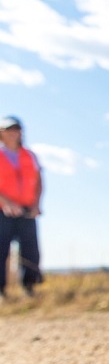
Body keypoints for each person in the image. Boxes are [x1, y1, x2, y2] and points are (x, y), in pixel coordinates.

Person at [0, 116, 43, 301]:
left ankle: (29, 287)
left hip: (27, 209)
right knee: (1, 250)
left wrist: (36, 204)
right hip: (3, 210)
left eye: (16, 130)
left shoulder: (29, 155)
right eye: (9, 130)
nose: (13, 133)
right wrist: (6, 202)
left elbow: (39, 181)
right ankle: (1, 292)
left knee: (31, 250)